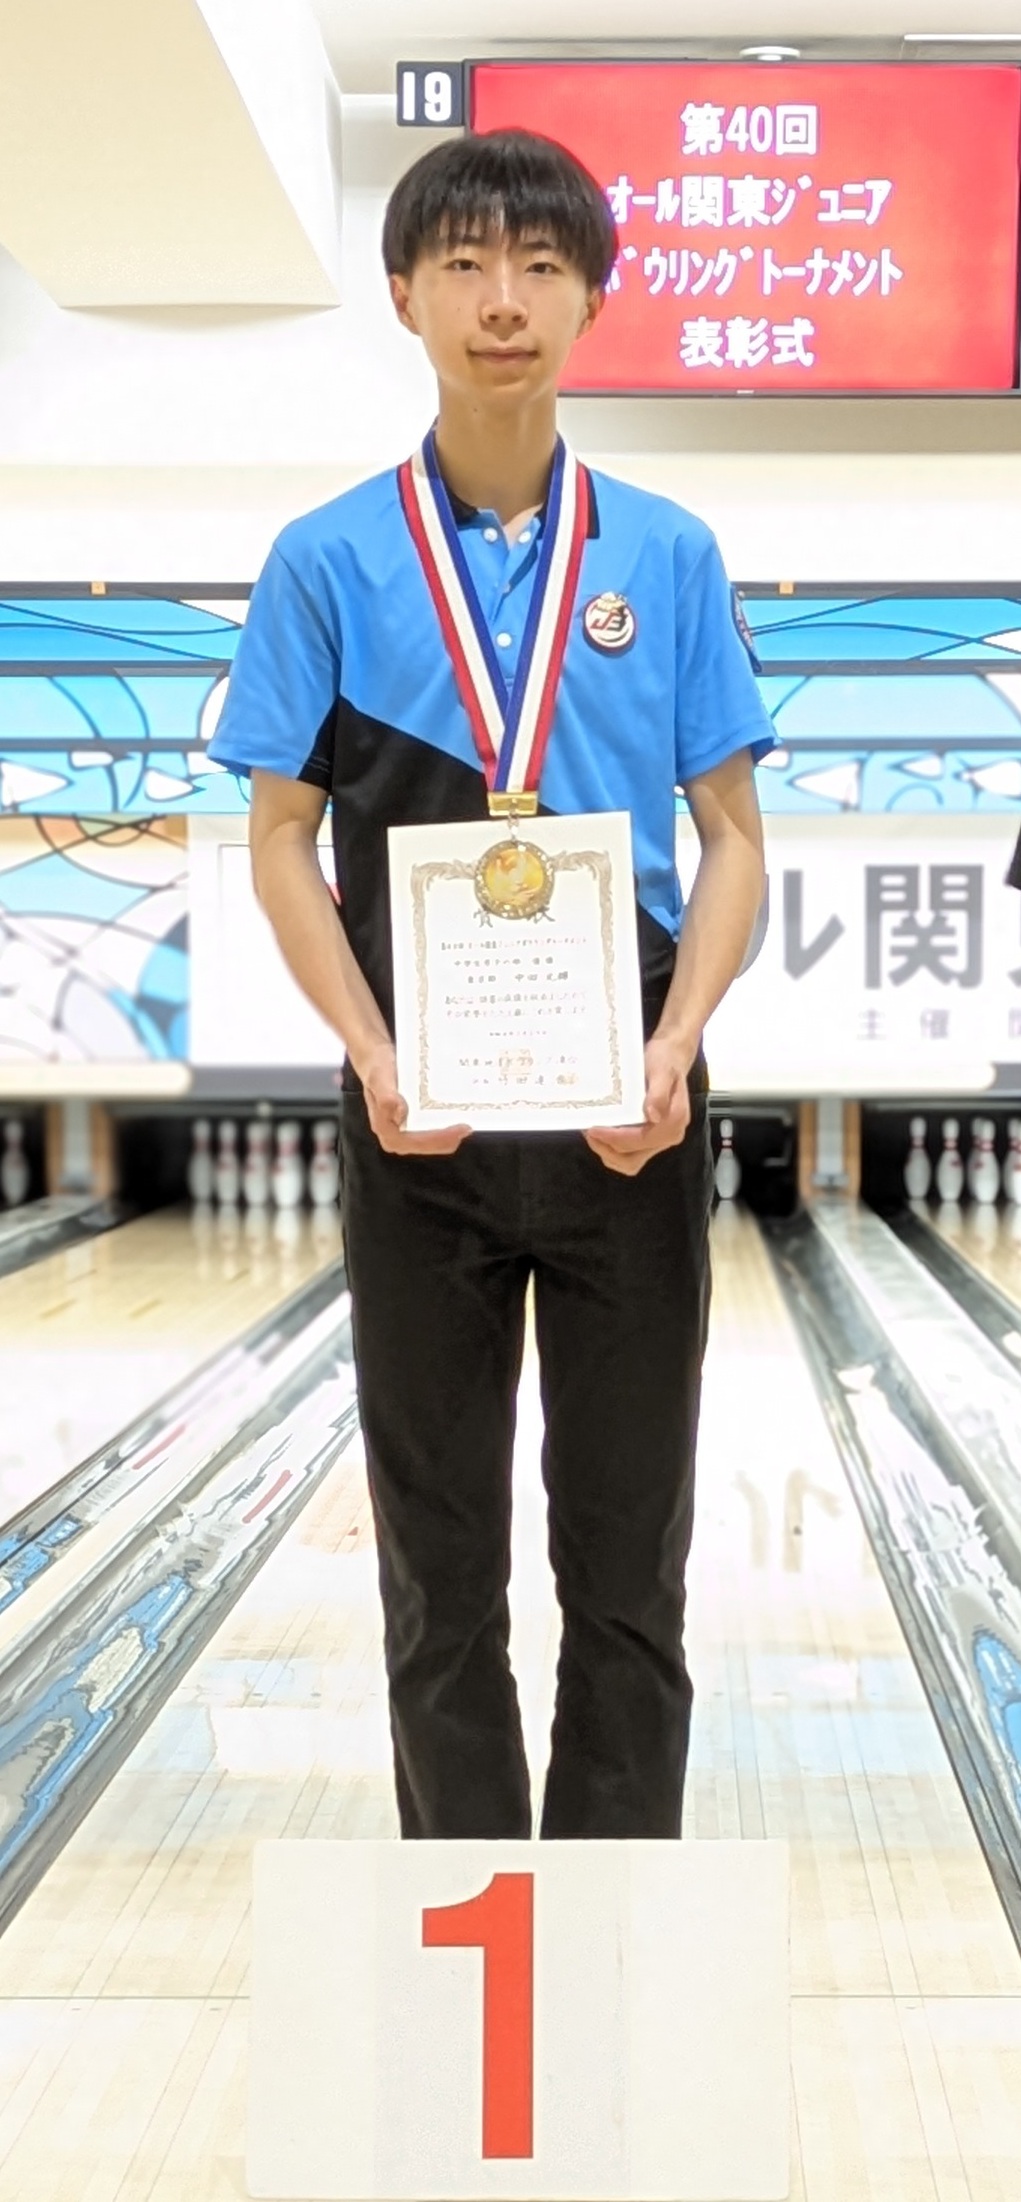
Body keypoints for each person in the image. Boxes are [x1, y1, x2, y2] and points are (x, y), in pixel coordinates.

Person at [207, 128, 776, 1840]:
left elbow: (732, 842)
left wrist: (675, 1045)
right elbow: (277, 840)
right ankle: (467, 1932)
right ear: (404, 295)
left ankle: (608, 1931)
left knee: (629, 1575)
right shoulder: (326, 557)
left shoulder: (665, 553)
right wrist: (372, 1052)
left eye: (538, 264)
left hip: (629, 1119)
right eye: (461, 263)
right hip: (418, 1119)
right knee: (437, 1582)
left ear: (592, 295)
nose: (501, 298)